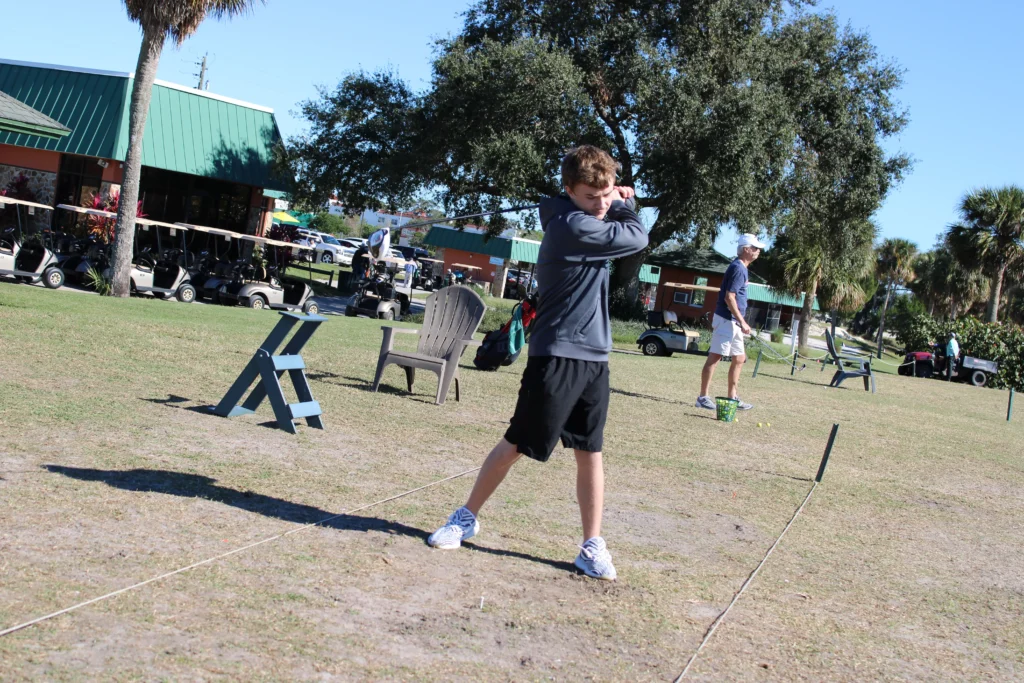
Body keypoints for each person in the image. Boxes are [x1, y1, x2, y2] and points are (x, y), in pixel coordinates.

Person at [427, 145, 648, 580]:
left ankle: (591, 544)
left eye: (605, 194)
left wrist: (615, 203)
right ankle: (465, 518)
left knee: (591, 451)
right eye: (591, 195)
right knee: (516, 444)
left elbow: (629, 253)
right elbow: (637, 237)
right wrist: (625, 203)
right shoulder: (571, 225)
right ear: (569, 191)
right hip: (557, 354)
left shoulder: (589, 216)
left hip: (595, 355)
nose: (601, 203)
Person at [695, 233, 767, 412]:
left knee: (740, 359)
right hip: (727, 320)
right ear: (746, 249)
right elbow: (730, 297)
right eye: (755, 248)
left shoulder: (742, 268)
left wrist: (740, 322)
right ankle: (702, 398)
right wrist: (742, 321)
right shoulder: (738, 268)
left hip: (734, 322)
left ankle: (732, 398)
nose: (758, 251)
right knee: (715, 357)